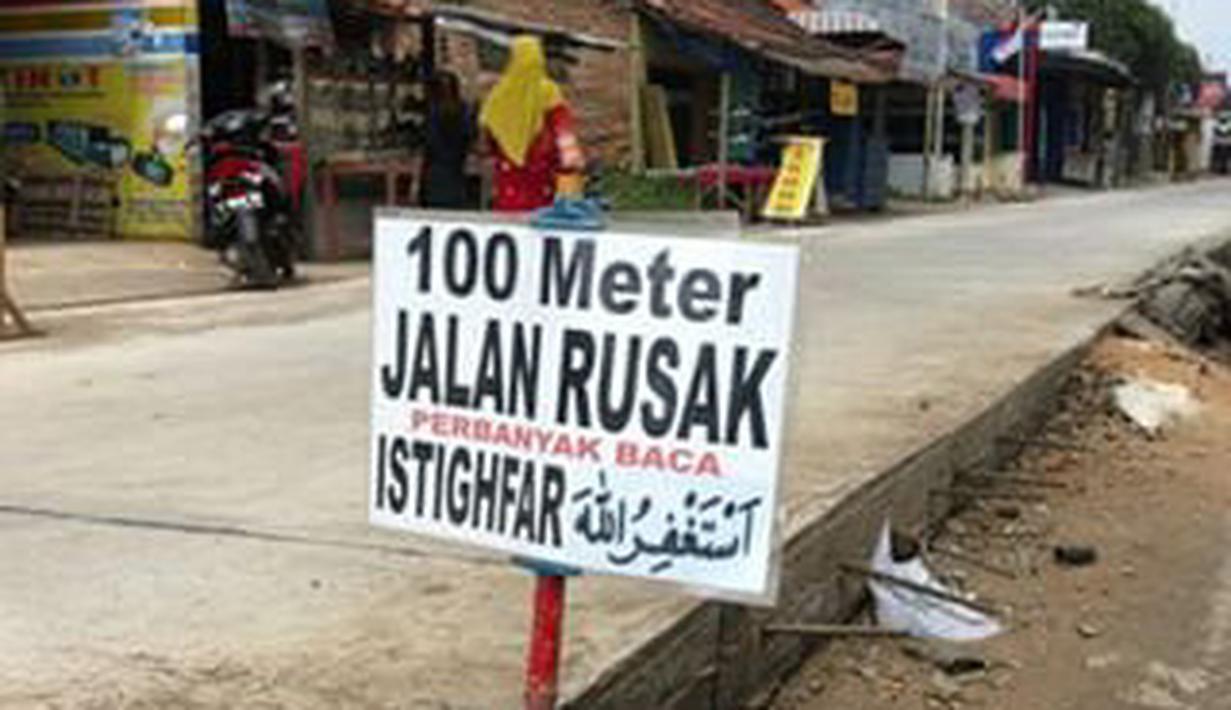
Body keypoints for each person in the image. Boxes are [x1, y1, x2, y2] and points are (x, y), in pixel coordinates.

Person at [479, 35, 584, 212]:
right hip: (542, 171)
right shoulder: (549, 92)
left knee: (510, 215)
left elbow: (487, 136)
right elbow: (563, 129)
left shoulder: (498, 94)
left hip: (509, 174)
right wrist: (572, 162)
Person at [420, 71, 474, 209]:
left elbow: (429, 144)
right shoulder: (463, 110)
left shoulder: (433, 111)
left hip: (435, 172)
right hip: (456, 171)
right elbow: (468, 137)